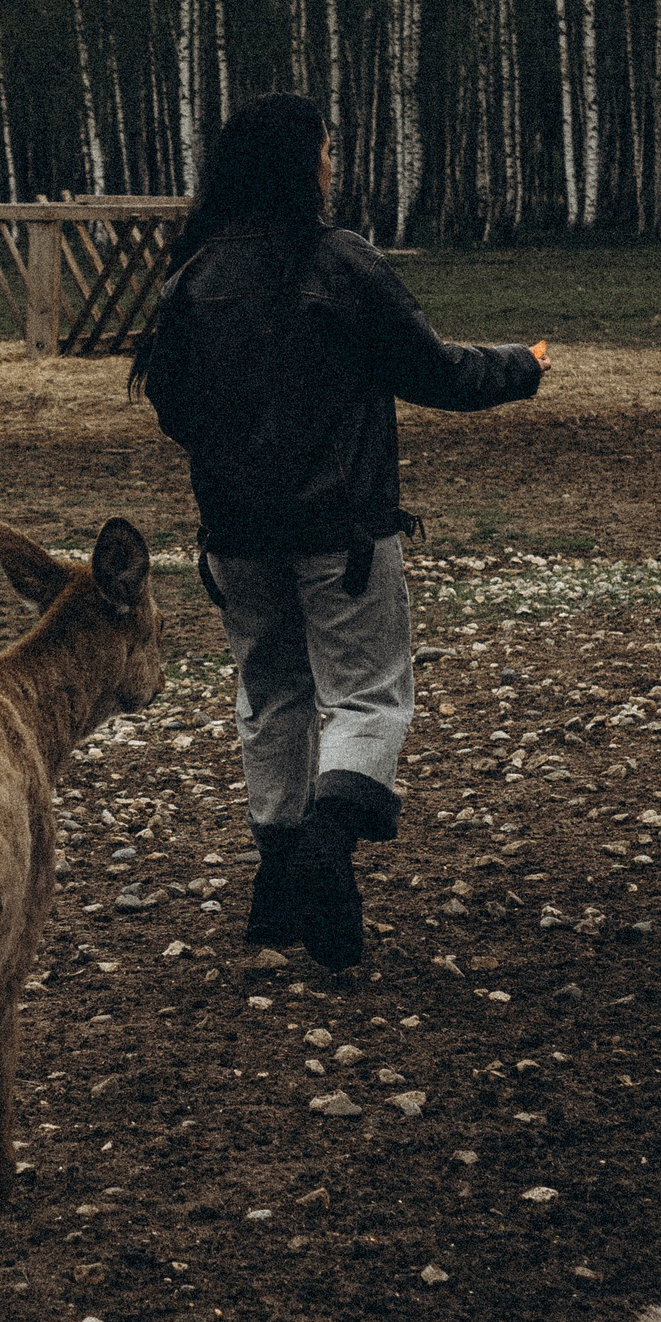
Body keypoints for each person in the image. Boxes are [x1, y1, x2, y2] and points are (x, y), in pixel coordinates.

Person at [132, 93, 550, 970]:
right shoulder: (339, 263)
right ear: (298, 163)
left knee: (270, 696)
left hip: (235, 539)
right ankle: (329, 842)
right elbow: (433, 371)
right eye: (327, 149)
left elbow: (172, 405)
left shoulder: (193, 275)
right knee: (367, 698)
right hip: (345, 533)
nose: (333, 164)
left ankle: (277, 893)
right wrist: (523, 366)